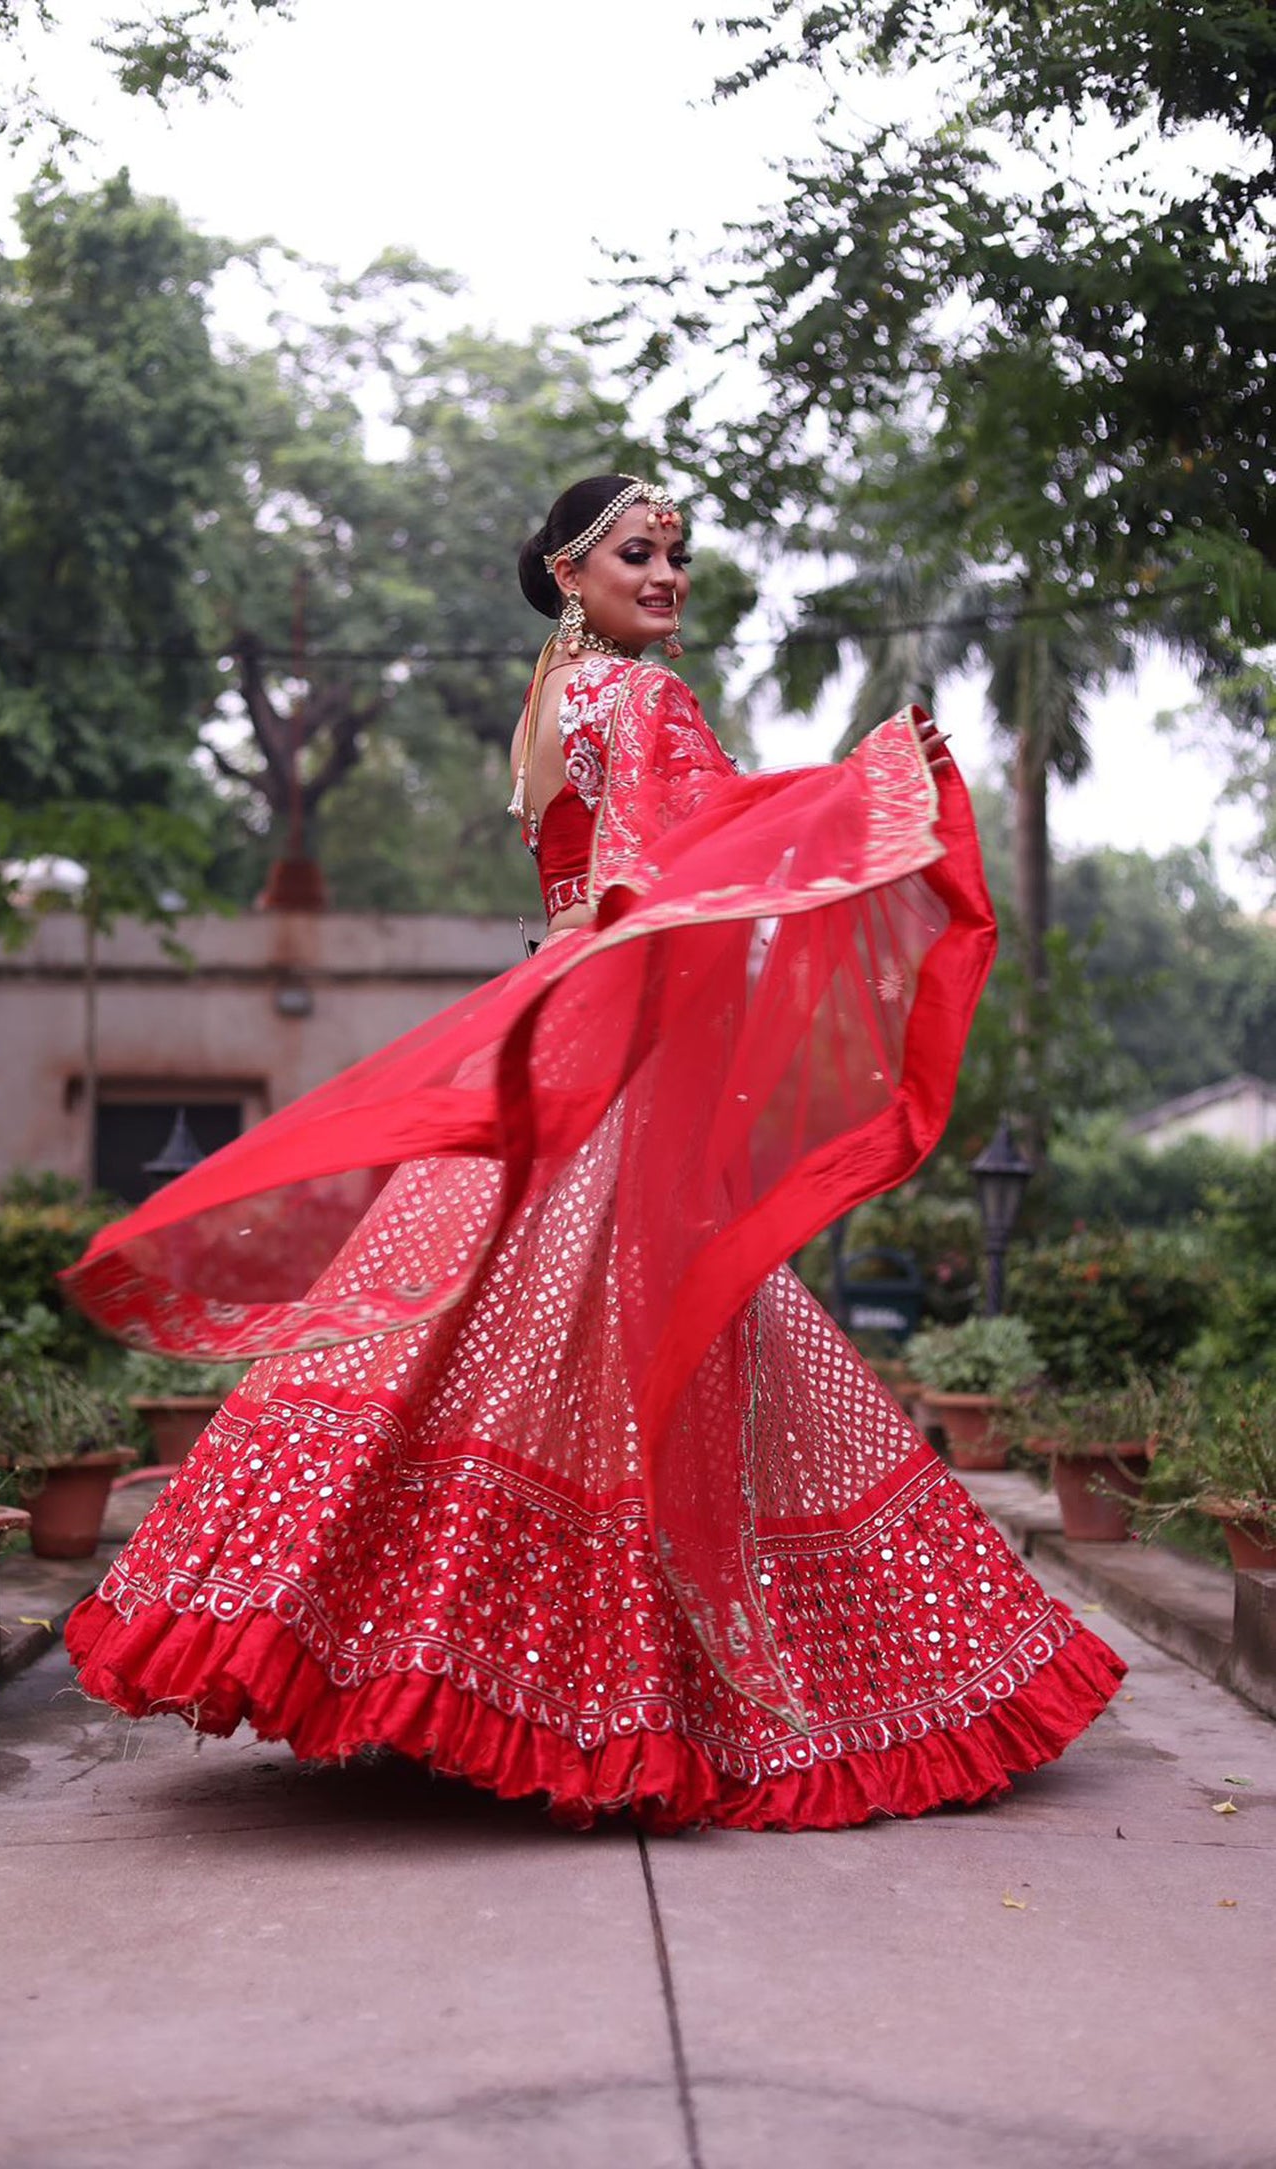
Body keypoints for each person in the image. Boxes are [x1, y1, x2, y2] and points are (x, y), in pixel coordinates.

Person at [62, 471, 1123, 1830]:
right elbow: (703, 855)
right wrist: (874, 791)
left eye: (676, 554)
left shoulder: (548, 704)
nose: (668, 576)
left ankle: (419, 1654)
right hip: (603, 1055)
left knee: (474, 1337)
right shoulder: (641, 698)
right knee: (652, 1337)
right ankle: (642, 1690)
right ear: (571, 572)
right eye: (638, 553)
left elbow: (605, 878)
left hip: (554, 1023)